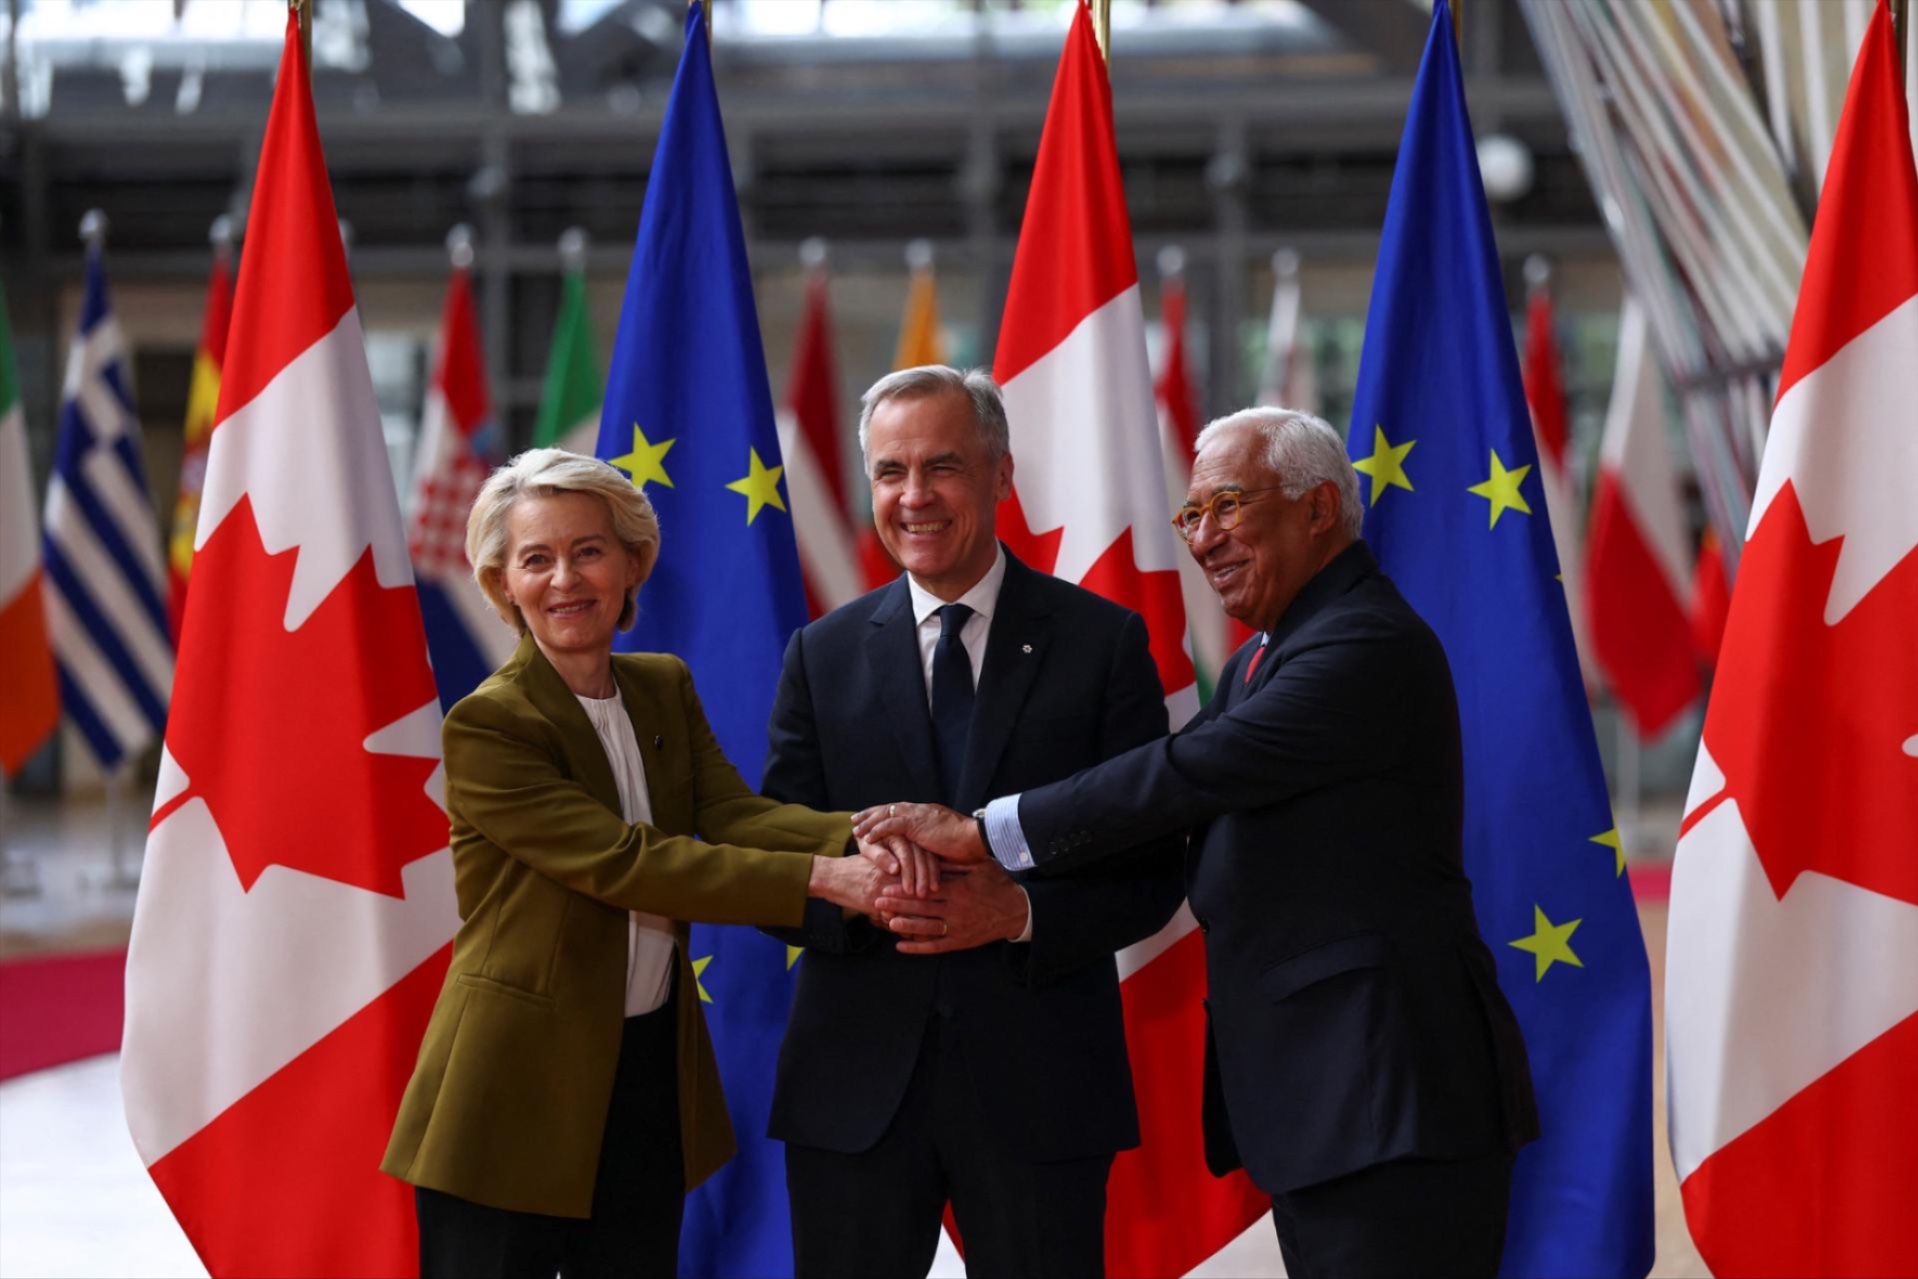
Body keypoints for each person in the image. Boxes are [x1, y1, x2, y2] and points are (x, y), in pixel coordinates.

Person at [857, 408, 1540, 1279]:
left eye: (1226, 505)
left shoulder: (1362, 644)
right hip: (1338, 1107)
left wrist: (984, 830)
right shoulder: (1275, 652)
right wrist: (1026, 906)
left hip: (1390, 1100)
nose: (1203, 538)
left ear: (1318, 507)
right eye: (1190, 516)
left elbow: (1184, 772)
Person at [381, 448, 901, 1279]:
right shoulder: (488, 725)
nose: (565, 579)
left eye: (588, 550)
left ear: (632, 562)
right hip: (511, 1090)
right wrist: (820, 878)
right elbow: (625, 862)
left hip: (646, 1080)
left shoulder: (662, 685)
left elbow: (734, 815)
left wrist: (867, 837)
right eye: (536, 558)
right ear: (502, 583)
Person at [762, 366, 1185, 1278]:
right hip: (854, 1087)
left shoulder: (1102, 642)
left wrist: (1020, 913)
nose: (913, 496)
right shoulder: (820, 653)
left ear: (1001, 474)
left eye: (942, 466)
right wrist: (864, 892)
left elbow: (1155, 865)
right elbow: (772, 858)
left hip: (1041, 1084)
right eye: (889, 471)